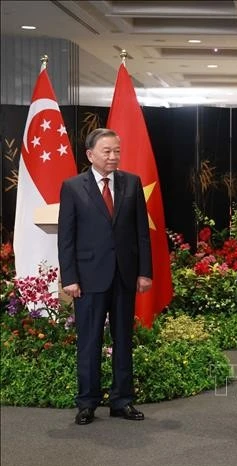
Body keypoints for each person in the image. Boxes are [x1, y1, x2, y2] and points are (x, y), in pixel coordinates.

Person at [58, 128, 152, 425]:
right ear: (90, 155)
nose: (113, 157)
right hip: (87, 278)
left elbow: (141, 234)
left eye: (117, 151)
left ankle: (122, 400)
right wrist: (69, 277)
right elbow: (66, 237)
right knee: (90, 341)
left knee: (123, 340)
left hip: (124, 276)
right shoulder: (73, 187)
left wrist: (144, 272)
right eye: (107, 152)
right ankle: (87, 402)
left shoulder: (132, 183)